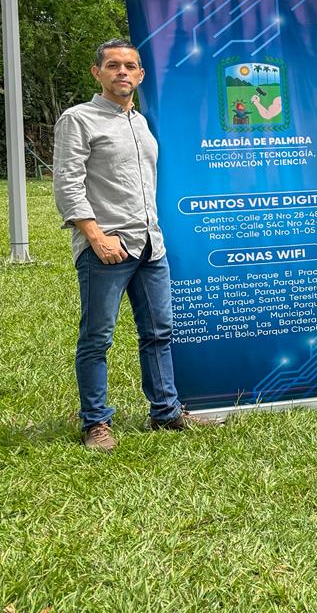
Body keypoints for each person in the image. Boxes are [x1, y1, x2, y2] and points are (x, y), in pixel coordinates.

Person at [53, 39, 208, 451]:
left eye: (130, 66)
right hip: (108, 247)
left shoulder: (139, 121)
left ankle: (166, 411)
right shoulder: (78, 119)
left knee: (159, 332)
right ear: (97, 72)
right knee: (97, 338)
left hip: (150, 247)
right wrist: (96, 236)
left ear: (140, 75)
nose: (122, 72)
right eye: (113, 65)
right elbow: (67, 183)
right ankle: (95, 423)